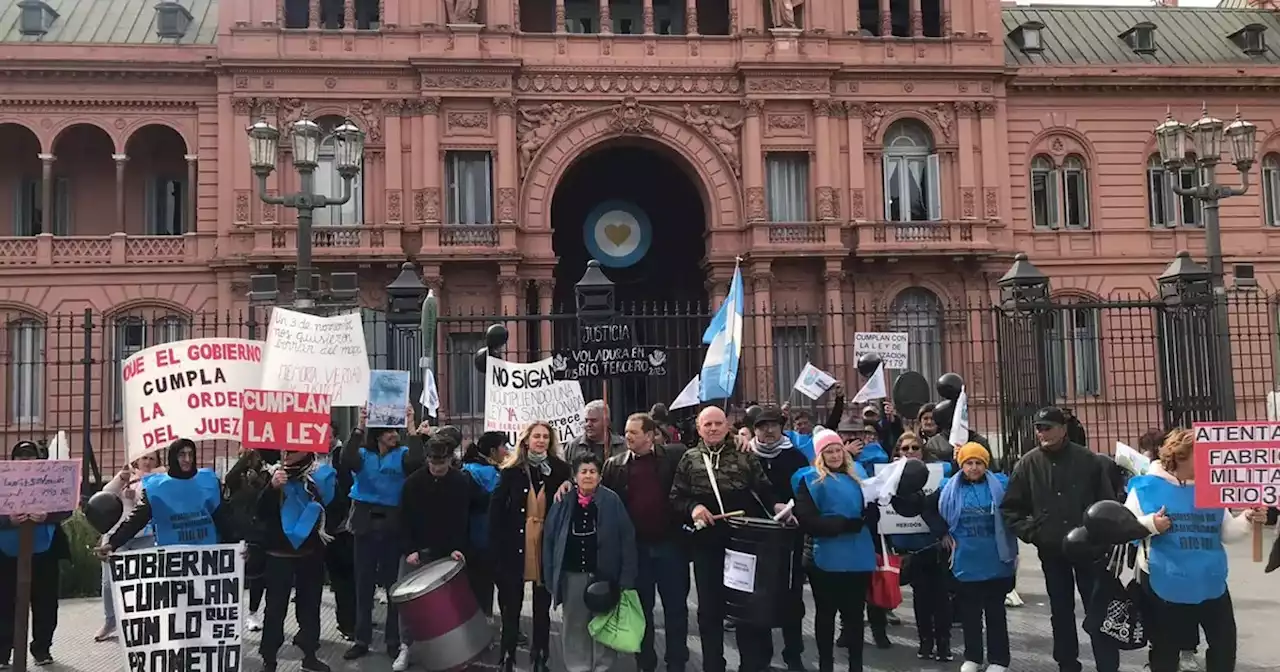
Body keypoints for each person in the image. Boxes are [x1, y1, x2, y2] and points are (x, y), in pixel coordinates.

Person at [1124, 428, 1263, 672]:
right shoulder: (1146, 487)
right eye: (1203, 455)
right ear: (1180, 456)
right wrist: (1150, 525)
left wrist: (1249, 518)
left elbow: (1226, 532)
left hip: (1210, 580)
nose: (1209, 462)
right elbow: (1125, 528)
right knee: (1166, 649)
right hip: (1165, 582)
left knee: (1224, 645)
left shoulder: (1211, 488)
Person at [1000, 406, 1118, 672]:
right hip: (1052, 549)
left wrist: (1102, 538)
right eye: (1038, 428)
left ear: (1063, 429)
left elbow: (1107, 503)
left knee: (1097, 607)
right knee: (1061, 610)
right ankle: (1067, 663)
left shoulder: (1089, 460)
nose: (1042, 432)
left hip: (1089, 549)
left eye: (1047, 427)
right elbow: (1011, 509)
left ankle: (1107, 665)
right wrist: (1034, 532)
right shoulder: (1027, 464)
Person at [670, 406, 788, 672]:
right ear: (699, 429)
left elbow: (764, 489)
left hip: (742, 544)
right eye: (707, 424)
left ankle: (752, 665)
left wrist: (778, 506)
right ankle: (713, 664)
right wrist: (693, 508)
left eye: (718, 423)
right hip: (707, 545)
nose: (713, 428)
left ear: (727, 426)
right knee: (709, 610)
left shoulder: (745, 454)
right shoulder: (689, 458)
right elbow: (676, 498)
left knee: (746, 608)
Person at [603, 413, 690, 672]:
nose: (627, 436)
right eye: (627, 431)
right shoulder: (614, 465)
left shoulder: (674, 457)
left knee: (676, 609)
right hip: (635, 551)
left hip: (670, 547)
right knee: (642, 611)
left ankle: (677, 662)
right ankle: (646, 663)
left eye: (634, 432)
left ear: (650, 435)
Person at [339, 408, 426, 661]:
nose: (394, 436)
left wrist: (411, 426)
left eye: (396, 431)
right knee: (363, 585)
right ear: (378, 435)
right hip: (365, 523)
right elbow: (346, 459)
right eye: (389, 432)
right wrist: (359, 426)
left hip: (392, 524)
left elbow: (417, 463)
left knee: (392, 586)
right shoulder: (363, 454)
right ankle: (361, 639)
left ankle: (393, 640)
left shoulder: (403, 454)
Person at [792, 428, 878, 672]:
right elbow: (807, 520)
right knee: (826, 614)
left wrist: (873, 514)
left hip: (857, 555)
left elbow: (871, 514)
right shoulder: (808, 480)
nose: (834, 455)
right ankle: (826, 665)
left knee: (854, 616)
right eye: (828, 451)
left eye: (838, 449)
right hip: (825, 558)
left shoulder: (859, 477)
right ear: (820, 455)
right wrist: (842, 524)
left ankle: (856, 666)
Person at [544, 453, 637, 672]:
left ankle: (603, 666)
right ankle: (579, 666)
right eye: (583, 472)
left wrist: (626, 577)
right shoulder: (563, 500)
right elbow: (550, 538)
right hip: (572, 573)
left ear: (600, 476)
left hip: (604, 573)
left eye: (592, 471)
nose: (588, 476)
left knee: (604, 622)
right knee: (574, 623)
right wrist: (549, 575)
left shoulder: (612, 500)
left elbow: (627, 538)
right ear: (575, 477)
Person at [490, 421, 572, 672]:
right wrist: (496, 549)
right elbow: (496, 512)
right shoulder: (511, 470)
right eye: (536, 436)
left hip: (546, 544)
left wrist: (570, 485)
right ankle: (508, 656)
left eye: (545, 437)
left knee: (541, 606)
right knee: (511, 605)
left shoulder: (560, 469)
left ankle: (540, 656)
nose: (541, 441)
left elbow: (571, 501)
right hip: (515, 543)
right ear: (526, 440)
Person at [932, 442, 1018, 672]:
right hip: (965, 560)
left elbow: (1015, 509)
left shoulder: (1000, 484)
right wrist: (941, 532)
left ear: (985, 464)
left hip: (996, 560)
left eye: (978, 463)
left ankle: (999, 660)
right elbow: (929, 510)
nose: (973, 467)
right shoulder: (948, 487)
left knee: (995, 614)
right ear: (961, 465)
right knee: (970, 615)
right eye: (969, 463)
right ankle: (973, 657)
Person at [396, 438, 477, 671]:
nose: (437, 467)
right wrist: (409, 549)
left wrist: (459, 547)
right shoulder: (413, 483)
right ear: (427, 460)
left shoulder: (461, 482)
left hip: (447, 551)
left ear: (450, 460)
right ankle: (406, 647)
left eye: (441, 463)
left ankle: (450, 649)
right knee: (408, 602)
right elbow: (403, 518)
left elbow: (463, 520)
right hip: (416, 549)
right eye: (433, 462)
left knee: (448, 603)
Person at [256, 449, 337, 672]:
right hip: (278, 555)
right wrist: (272, 488)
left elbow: (331, 510)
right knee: (274, 609)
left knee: (310, 607)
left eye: (294, 448)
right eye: (286, 449)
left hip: (309, 554)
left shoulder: (321, 475)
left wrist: (316, 489)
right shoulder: (271, 473)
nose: (289, 452)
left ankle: (309, 654)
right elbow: (260, 512)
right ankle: (269, 659)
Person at [745, 406, 811, 672]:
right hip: (754, 538)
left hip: (788, 537)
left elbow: (806, 492)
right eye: (762, 426)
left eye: (773, 425)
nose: (768, 431)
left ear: (782, 427)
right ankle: (762, 655)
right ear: (755, 430)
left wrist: (795, 513)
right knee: (758, 598)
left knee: (792, 598)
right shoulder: (745, 455)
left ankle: (793, 654)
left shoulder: (795, 457)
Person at [0, 441, 74, 667]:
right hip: (6, 553)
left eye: (29, 456)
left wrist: (47, 516)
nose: (25, 461)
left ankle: (42, 649)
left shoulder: (50, 478)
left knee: (46, 603)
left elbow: (66, 506)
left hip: (45, 550)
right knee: (4, 603)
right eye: (20, 456)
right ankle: (3, 652)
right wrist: (8, 520)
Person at [889, 432, 953, 662]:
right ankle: (925, 642)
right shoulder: (889, 477)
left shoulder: (938, 473)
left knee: (942, 599)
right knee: (921, 600)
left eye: (915, 447)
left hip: (935, 545)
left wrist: (942, 532)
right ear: (898, 452)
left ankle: (944, 644)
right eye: (905, 448)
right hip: (911, 548)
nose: (910, 452)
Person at [100, 438, 230, 551]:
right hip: (172, 557)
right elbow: (137, 519)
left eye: (191, 454)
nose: (187, 459)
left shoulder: (209, 481)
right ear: (173, 457)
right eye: (182, 455)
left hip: (206, 555)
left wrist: (237, 543)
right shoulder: (156, 488)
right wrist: (113, 544)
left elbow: (223, 518)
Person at [95, 449, 161, 642]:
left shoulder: (158, 478)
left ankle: (142, 622)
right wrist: (120, 479)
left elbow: (152, 503)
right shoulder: (127, 475)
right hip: (115, 534)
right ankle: (110, 621)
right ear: (137, 460)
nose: (147, 462)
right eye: (144, 458)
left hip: (144, 536)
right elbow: (105, 494)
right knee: (108, 583)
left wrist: (136, 496)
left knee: (143, 582)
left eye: (151, 459)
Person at [461, 431, 510, 619]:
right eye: (503, 447)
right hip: (487, 536)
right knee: (499, 585)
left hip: (473, 538)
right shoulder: (490, 473)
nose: (506, 451)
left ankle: (482, 622)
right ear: (492, 451)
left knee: (479, 585)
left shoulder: (468, 467)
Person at [224, 447, 271, 633]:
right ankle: (230, 615)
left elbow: (270, 497)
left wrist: (258, 482)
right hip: (237, 531)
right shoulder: (238, 478)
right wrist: (246, 457)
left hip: (258, 533)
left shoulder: (268, 473)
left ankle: (253, 613)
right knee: (233, 576)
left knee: (256, 577)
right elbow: (229, 477)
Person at [324, 425, 357, 642]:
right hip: (317, 530)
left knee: (346, 579)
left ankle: (349, 623)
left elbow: (348, 489)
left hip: (342, 528)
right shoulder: (305, 457)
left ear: (334, 436)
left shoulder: (341, 457)